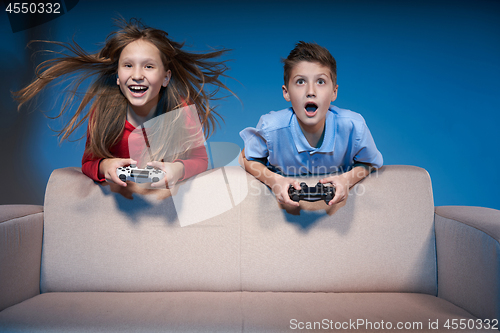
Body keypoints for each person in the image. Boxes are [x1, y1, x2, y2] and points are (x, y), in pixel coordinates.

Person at [14, 18, 233, 188]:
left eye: (148, 66)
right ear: (118, 77)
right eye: (128, 65)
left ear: (166, 78)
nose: (137, 75)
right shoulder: (104, 111)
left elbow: (200, 160)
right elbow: (88, 163)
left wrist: (178, 169)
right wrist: (105, 166)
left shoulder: (181, 110)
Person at [240, 41, 383, 206]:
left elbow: (370, 162)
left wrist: (347, 180)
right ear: (286, 92)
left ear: (334, 92)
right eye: (300, 82)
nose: (310, 92)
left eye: (320, 82)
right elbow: (245, 158)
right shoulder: (271, 128)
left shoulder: (353, 126)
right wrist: (274, 181)